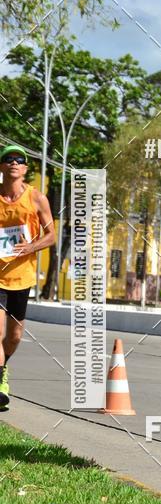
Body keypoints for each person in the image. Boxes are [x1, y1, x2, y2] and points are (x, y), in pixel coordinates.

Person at [0, 144, 56, 410]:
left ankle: (4, 367)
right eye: (8, 159)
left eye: (18, 160)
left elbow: (52, 235)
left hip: (22, 277)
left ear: (24, 168)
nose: (13, 162)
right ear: (1, 167)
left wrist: (31, 246)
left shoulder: (36, 198)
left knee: (14, 337)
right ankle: (0, 384)